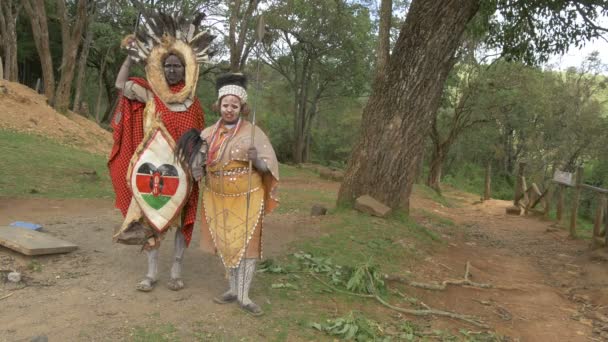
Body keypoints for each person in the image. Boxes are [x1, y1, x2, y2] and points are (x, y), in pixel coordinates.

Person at [108, 10, 214, 292]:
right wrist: (131, 56)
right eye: (167, 66)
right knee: (150, 219)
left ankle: (176, 270)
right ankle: (152, 273)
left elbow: (201, 139)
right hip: (153, 173)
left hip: (185, 176)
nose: (172, 71)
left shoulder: (195, 103)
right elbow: (120, 85)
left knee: (181, 221)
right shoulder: (149, 93)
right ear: (161, 68)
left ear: (186, 68)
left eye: (177, 66)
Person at [177, 73, 279, 316]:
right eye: (226, 105)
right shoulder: (208, 133)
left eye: (235, 105)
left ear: (242, 107)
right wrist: (196, 165)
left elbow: (269, 168)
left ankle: (244, 295)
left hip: (247, 197)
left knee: (247, 245)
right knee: (225, 243)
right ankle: (233, 289)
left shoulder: (254, 134)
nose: (229, 109)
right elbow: (198, 166)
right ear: (219, 105)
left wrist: (257, 160)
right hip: (216, 196)